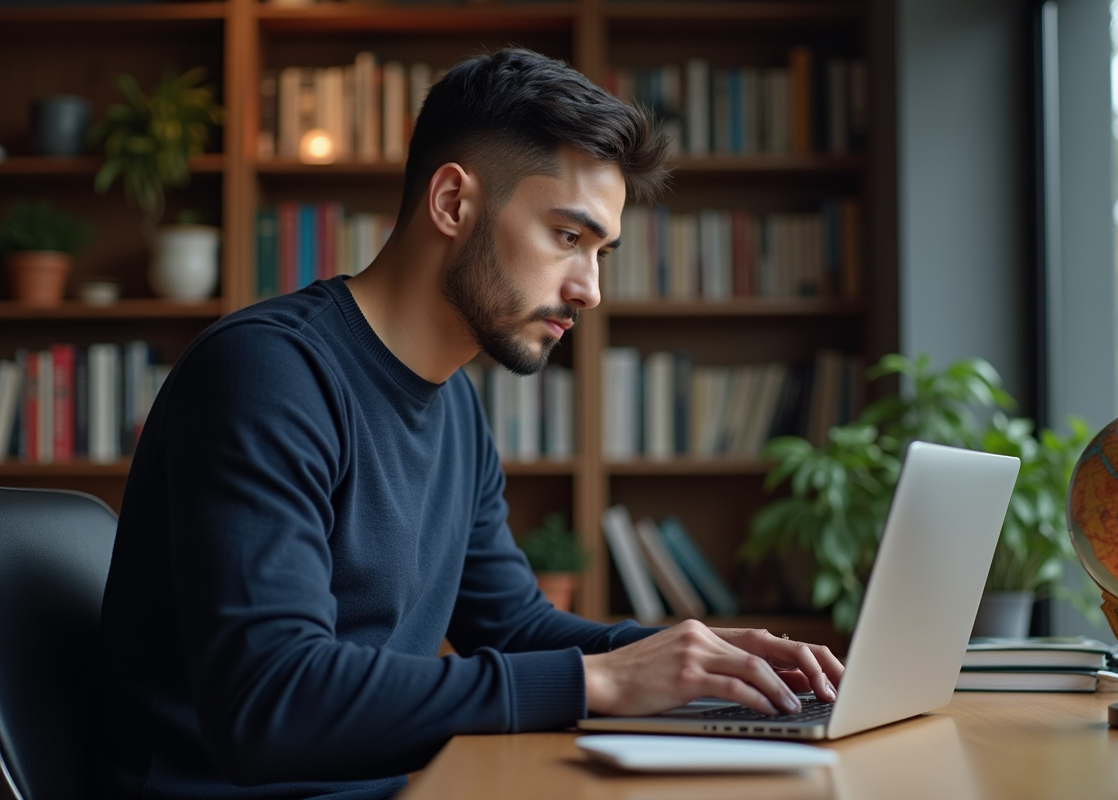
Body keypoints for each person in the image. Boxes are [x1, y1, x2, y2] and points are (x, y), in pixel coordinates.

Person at [95, 48, 844, 800]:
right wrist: (597, 681)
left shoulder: (454, 405)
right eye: (567, 237)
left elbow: (515, 628)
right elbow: (272, 702)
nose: (590, 290)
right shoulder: (268, 376)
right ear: (453, 202)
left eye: (602, 252)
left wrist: (697, 657)